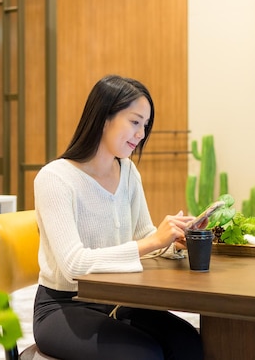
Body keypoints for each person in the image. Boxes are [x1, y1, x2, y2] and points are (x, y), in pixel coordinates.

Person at [32, 75, 204, 360]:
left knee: (189, 344)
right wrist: (152, 242)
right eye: (135, 122)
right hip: (65, 306)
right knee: (145, 355)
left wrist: (174, 239)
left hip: (122, 300)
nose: (141, 134)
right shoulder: (55, 178)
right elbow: (73, 265)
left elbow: (143, 236)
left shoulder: (128, 173)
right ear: (103, 117)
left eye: (145, 125)